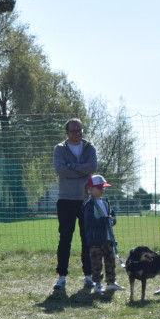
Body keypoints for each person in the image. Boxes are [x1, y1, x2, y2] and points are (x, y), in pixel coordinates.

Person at [52, 118, 97, 292]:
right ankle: (62, 277)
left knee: (87, 239)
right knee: (65, 239)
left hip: (86, 200)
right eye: (74, 131)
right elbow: (60, 170)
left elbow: (93, 167)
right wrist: (82, 170)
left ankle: (88, 276)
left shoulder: (90, 147)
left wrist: (73, 166)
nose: (78, 134)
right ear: (67, 133)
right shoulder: (59, 149)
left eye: (80, 130)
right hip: (65, 200)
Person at [83, 175, 125, 294]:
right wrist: (104, 220)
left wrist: (113, 220)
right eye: (99, 187)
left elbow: (112, 215)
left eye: (103, 187)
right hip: (96, 240)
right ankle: (97, 284)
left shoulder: (106, 202)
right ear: (91, 189)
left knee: (110, 261)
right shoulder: (89, 205)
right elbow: (89, 222)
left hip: (108, 239)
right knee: (97, 263)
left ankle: (111, 282)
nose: (102, 190)